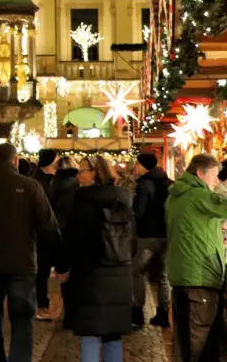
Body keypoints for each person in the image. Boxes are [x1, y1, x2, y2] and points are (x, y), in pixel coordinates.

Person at [0, 142, 60, 362]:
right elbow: (48, 226)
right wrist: (54, 259)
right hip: (22, 262)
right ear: (15, 160)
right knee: (22, 318)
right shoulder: (30, 186)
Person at [55, 155, 136, 362]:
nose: (78, 175)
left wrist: (62, 267)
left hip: (90, 276)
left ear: (94, 173)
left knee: (90, 334)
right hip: (120, 276)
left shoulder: (83, 201)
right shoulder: (124, 199)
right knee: (113, 335)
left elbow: (72, 240)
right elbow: (133, 242)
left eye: (81, 171)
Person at [166, 153, 227, 362]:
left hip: (184, 274)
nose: (216, 181)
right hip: (199, 275)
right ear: (201, 174)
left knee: (185, 338)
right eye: (213, 175)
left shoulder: (177, 195)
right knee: (198, 340)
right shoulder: (198, 196)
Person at [130, 152, 171, 329]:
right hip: (166, 234)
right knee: (163, 274)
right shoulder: (168, 183)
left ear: (144, 166)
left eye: (137, 164)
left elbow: (139, 211)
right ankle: (163, 313)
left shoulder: (144, 184)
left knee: (137, 271)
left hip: (148, 235)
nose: (135, 167)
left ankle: (137, 312)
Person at [49, 155, 79, 329]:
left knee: (64, 274)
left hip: (59, 231)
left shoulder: (54, 183)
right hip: (73, 231)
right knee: (75, 274)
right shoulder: (74, 183)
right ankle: (73, 314)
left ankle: (67, 312)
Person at [32, 148, 58, 321]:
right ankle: (41, 304)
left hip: (47, 229)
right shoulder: (39, 181)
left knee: (43, 268)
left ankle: (41, 302)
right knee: (41, 269)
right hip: (42, 230)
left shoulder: (48, 179)